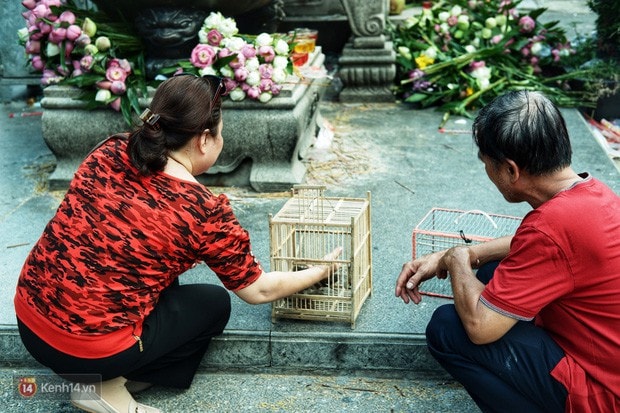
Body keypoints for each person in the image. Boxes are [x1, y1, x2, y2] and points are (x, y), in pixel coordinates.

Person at [14, 74, 341, 413]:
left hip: (29, 317)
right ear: (203, 140)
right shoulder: (201, 210)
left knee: (159, 272)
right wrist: (320, 270)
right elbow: (258, 291)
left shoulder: (111, 149)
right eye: (221, 133)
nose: (221, 140)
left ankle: (109, 374)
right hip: (89, 349)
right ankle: (107, 386)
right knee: (213, 304)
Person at [395, 90, 620, 412]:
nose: (487, 172)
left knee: (449, 327)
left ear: (511, 171)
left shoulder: (550, 228)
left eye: (487, 164)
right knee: (490, 272)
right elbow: (543, 247)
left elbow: (481, 328)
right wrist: (473, 254)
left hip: (603, 394)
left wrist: (456, 258)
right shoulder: (593, 192)